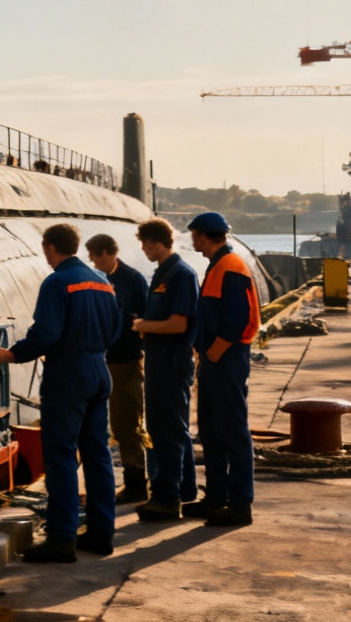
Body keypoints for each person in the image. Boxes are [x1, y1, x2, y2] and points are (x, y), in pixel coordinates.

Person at [0, 223, 119, 561]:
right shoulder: (103, 282)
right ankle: (102, 534)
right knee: (97, 454)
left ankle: (62, 539)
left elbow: (46, 333)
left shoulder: (57, 282)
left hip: (69, 373)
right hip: (99, 369)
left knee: (60, 456)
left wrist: (10, 354)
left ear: (49, 247)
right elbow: (116, 329)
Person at [187, 211, 259, 527]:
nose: (193, 241)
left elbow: (239, 319)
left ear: (205, 235)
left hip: (226, 360)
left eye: (195, 235)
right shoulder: (218, 266)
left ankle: (240, 504)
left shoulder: (230, 267)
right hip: (215, 361)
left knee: (232, 431)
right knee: (212, 431)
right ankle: (216, 498)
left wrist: (214, 353)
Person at [129, 218, 200, 522]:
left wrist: (144, 325)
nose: (143, 250)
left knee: (165, 430)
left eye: (145, 244)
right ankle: (184, 490)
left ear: (157, 242)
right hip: (162, 362)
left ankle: (166, 498)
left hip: (171, 364)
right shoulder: (163, 273)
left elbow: (179, 323)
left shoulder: (180, 274)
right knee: (175, 429)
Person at [86, 233, 149, 503]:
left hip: (126, 360)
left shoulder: (132, 279)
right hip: (102, 360)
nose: (91, 262)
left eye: (93, 256)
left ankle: (136, 483)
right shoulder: (96, 279)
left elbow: (143, 319)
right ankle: (116, 481)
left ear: (106, 253)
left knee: (126, 424)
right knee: (107, 424)